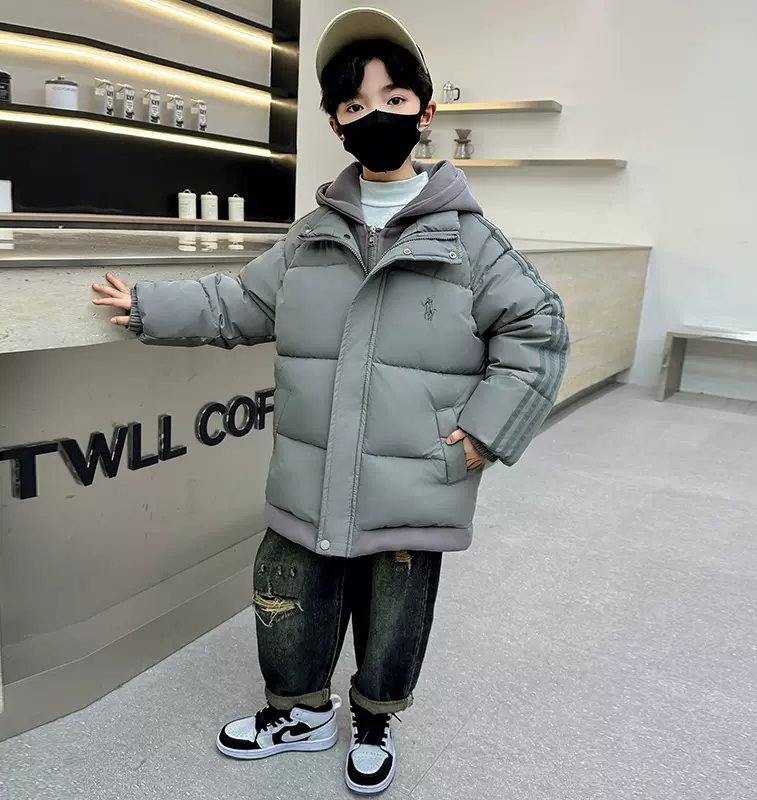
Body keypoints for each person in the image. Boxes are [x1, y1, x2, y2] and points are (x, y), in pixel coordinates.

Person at [92, 7, 569, 794]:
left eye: (393, 100)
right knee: (288, 597)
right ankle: (299, 712)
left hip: (416, 478)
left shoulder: (470, 242)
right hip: (309, 477)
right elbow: (237, 304)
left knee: (396, 616)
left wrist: (486, 431)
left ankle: (376, 718)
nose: (375, 116)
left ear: (424, 111)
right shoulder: (310, 236)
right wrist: (146, 306)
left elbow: (539, 329)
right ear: (334, 122)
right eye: (354, 105)